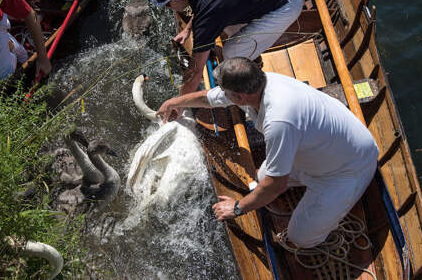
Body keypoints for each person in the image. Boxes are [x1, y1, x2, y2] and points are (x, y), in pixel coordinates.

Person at [156, 57, 379, 248]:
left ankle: (332, 212)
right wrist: (174, 102)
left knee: (300, 237)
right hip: (319, 153)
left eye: (226, 92)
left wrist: (237, 207)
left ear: (240, 97)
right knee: (261, 179)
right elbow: (208, 98)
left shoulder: (279, 120)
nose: (222, 94)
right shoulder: (257, 84)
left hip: (347, 169)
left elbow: (276, 185)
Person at [152, 0, 302, 96]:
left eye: (167, 5)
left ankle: (253, 79)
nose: (168, 8)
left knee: (230, 54)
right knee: (224, 24)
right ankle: (252, 56)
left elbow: (195, 72)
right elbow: (204, 8)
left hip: (287, 5)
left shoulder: (208, 14)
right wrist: (187, 30)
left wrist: (178, 104)